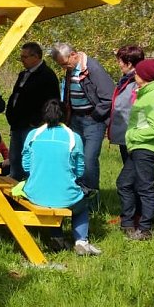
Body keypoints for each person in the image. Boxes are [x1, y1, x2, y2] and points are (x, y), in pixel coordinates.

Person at [21, 99, 102, 256]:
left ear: (43, 115)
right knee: (81, 205)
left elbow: (26, 166)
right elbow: (79, 170)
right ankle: (81, 241)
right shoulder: (74, 137)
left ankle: (56, 236)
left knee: (50, 201)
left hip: (36, 193)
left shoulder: (33, 135)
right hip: (65, 194)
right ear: (66, 116)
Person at [50, 42, 114, 198]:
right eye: (61, 66)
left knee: (89, 159)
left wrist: (95, 116)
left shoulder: (93, 69)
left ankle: (92, 197)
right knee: (75, 156)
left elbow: (108, 97)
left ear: (73, 54)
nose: (64, 68)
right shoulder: (71, 69)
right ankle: (77, 194)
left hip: (93, 120)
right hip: (75, 119)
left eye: (65, 64)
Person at [117, 59, 154, 241]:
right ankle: (128, 223)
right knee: (124, 183)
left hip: (145, 147)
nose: (135, 75)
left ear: (145, 77)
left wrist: (133, 137)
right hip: (139, 146)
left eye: (137, 73)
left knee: (144, 187)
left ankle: (145, 229)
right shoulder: (147, 93)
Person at [5, 42, 60, 181]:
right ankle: (13, 191)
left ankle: (30, 189)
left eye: (24, 57)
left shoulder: (47, 76)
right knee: (15, 159)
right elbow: (16, 95)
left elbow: (52, 102)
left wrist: (37, 122)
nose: (22, 60)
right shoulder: (23, 74)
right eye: (21, 57)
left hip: (32, 126)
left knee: (29, 160)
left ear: (35, 56)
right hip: (17, 124)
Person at [108, 45, 145, 162]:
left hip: (135, 135)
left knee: (133, 174)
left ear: (129, 64)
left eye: (120, 61)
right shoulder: (126, 79)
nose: (119, 64)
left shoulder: (140, 81)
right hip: (126, 133)